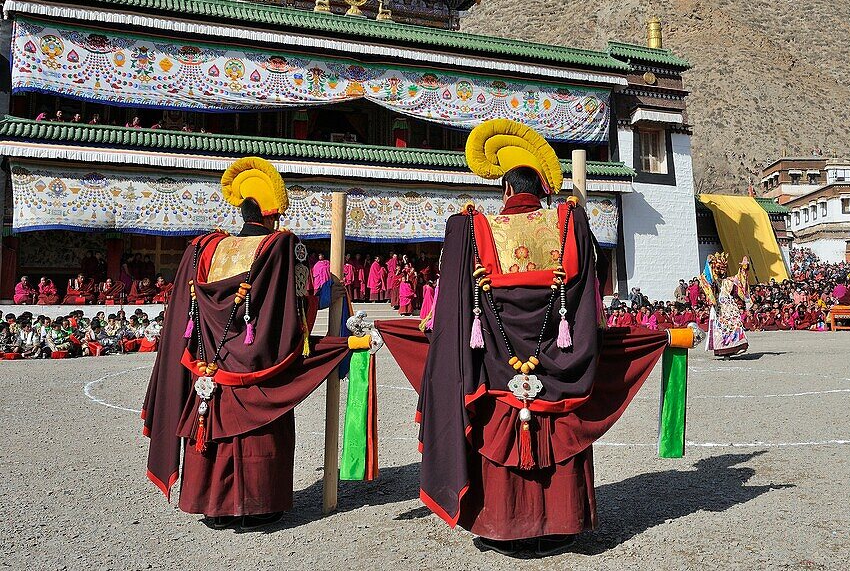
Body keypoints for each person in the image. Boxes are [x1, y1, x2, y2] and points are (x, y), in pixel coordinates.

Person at [373, 119, 688, 556]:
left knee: (496, 423)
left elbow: (452, 309)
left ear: (505, 191)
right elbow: (587, 301)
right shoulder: (567, 224)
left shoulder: (472, 229)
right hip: (561, 358)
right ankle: (561, 522)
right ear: (542, 191)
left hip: (495, 366)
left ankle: (501, 524)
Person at [142, 157, 353, 530]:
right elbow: (289, 313)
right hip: (256, 369)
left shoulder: (204, 249)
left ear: (242, 209)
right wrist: (322, 294)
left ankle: (213, 506)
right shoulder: (279, 247)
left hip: (209, 368)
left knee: (211, 432)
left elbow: (183, 315)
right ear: (273, 213)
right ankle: (258, 506)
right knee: (259, 434)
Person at [701, 253, 749, 357]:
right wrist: (708, 263)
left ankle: (737, 345)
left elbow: (740, 278)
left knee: (736, 324)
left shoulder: (729, 280)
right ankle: (724, 350)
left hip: (730, 306)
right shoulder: (714, 281)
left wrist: (744, 267)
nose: (722, 271)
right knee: (721, 328)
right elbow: (707, 278)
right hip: (719, 307)